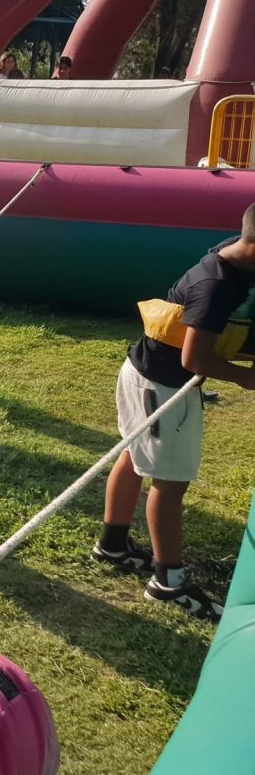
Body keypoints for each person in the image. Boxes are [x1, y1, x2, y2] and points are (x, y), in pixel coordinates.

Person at [92, 205, 255, 622]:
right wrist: (245, 378)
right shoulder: (216, 287)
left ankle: (112, 545)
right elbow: (196, 357)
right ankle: (168, 583)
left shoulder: (231, 253)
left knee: (134, 456)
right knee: (170, 481)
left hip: (143, 373)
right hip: (162, 388)